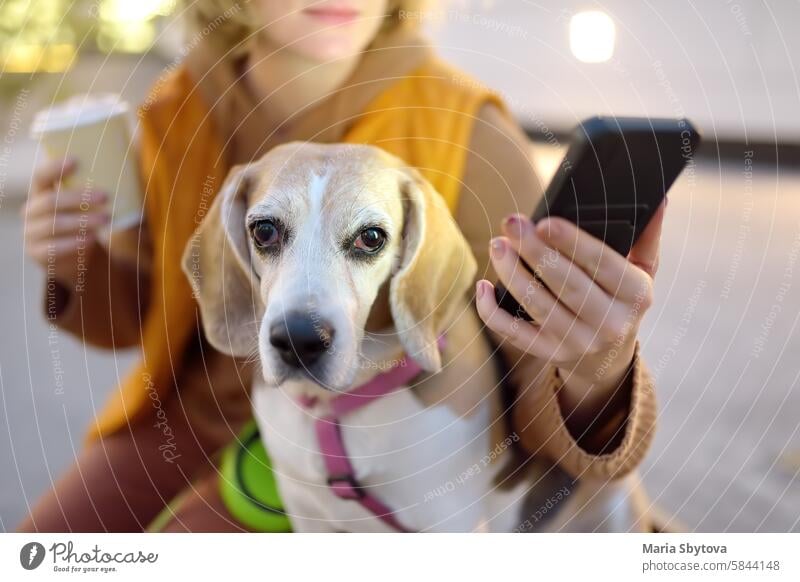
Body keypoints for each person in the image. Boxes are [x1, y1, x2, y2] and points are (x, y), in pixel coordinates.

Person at [19, 0, 658, 532]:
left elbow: (528, 378)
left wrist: (595, 370)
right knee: (40, 551)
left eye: (367, 241)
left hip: (379, 426)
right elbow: (151, 307)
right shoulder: (174, 107)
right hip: (193, 409)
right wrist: (76, 259)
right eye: (267, 232)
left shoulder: (473, 130)